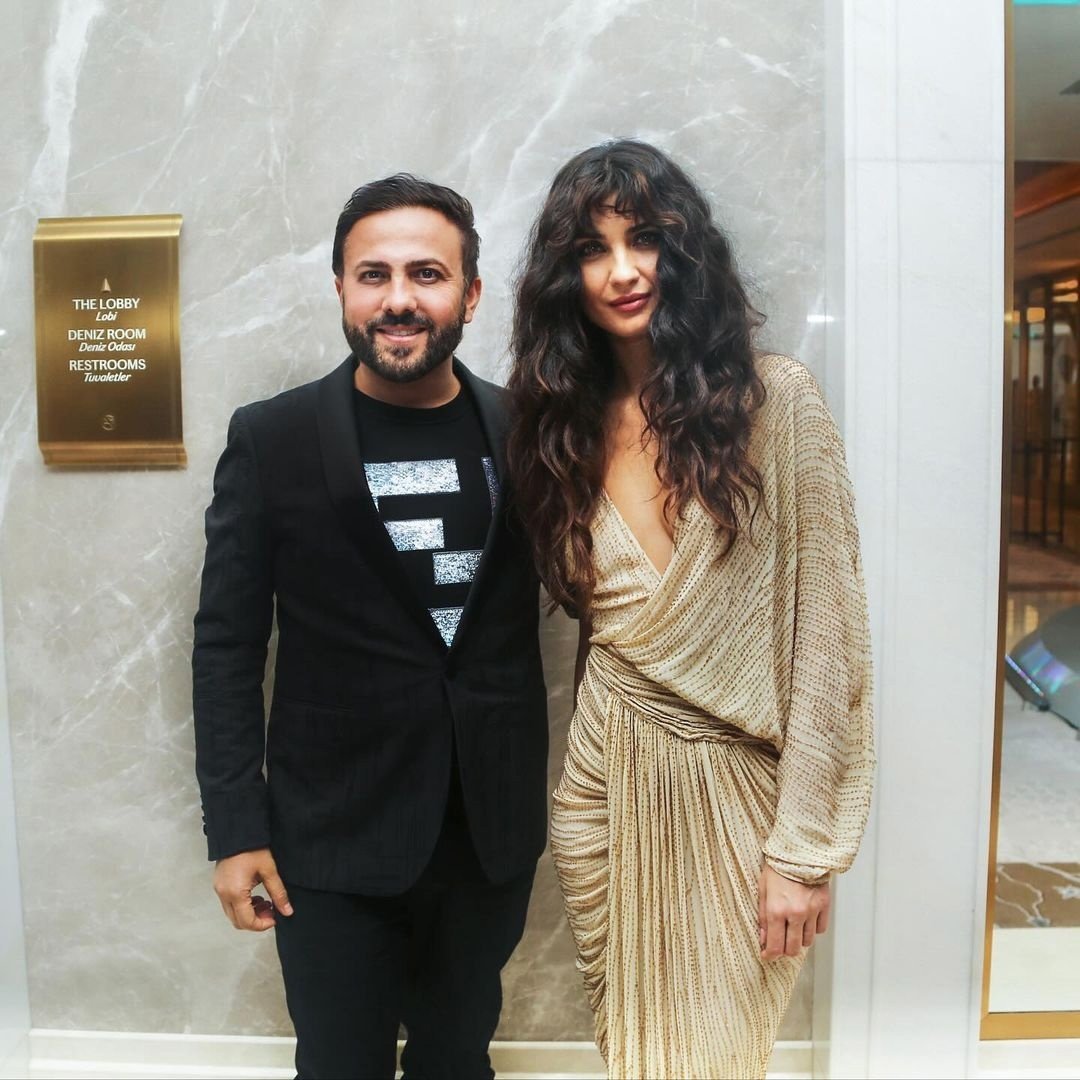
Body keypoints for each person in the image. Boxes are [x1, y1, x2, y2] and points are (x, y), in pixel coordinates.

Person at [506, 140, 874, 1079]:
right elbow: (603, 629)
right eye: (592, 249)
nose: (623, 271)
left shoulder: (775, 401)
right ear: (564, 277)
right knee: (633, 1053)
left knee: (718, 1057)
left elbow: (828, 640)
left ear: (684, 250)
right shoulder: (562, 424)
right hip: (605, 786)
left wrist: (803, 850)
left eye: (644, 239)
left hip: (739, 793)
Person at [192, 175, 549, 1080]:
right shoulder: (272, 439)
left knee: (457, 1058)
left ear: (471, 293)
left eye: (427, 273)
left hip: (487, 833)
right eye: (373, 274)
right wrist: (234, 830)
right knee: (340, 1063)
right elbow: (227, 646)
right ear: (341, 290)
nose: (399, 299)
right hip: (330, 838)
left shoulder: (529, 433)